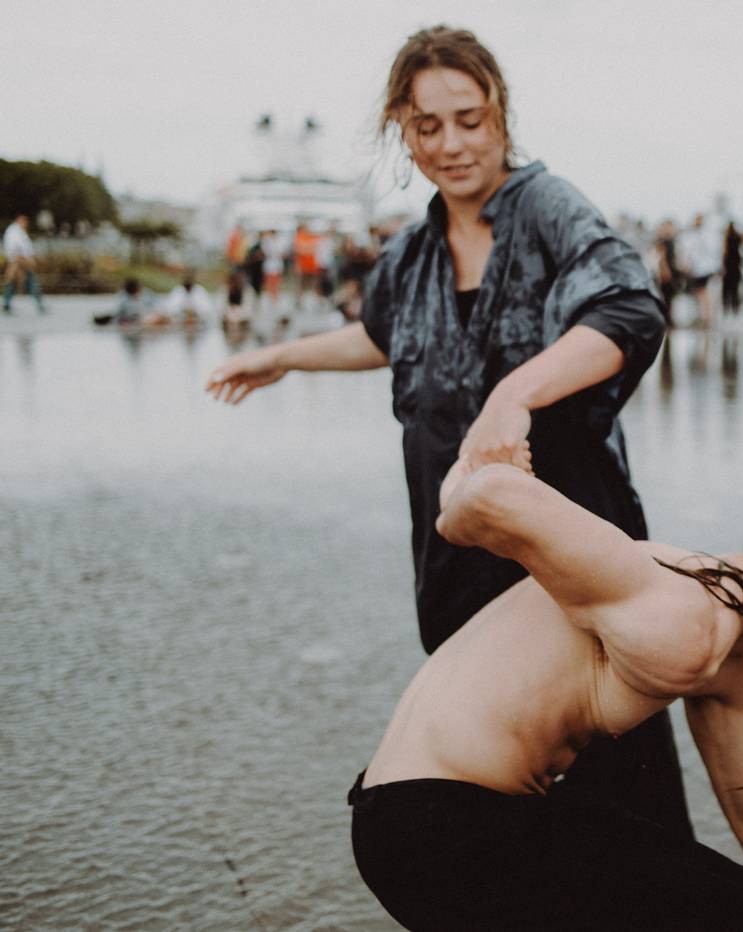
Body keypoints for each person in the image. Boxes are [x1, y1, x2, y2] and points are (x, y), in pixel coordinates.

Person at [206, 25, 687, 837]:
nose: (452, 144)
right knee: (503, 815)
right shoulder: (416, 250)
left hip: (574, 571)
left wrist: (515, 394)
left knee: (624, 814)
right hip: (458, 571)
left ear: (500, 115)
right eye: (427, 126)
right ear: (403, 129)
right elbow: (385, 336)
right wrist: (284, 356)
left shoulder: (545, 209)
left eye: (469, 119)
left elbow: (628, 310)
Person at [352, 461, 743, 931]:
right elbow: (494, 496)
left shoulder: (721, 658)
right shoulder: (679, 613)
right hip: (441, 831)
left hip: (421, 819)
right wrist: (456, 500)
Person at [679, 212, 720, 327]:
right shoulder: (700, 235)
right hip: (700, 269)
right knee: (700, 293)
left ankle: (705, 317)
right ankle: (704, 316)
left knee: (702, 293)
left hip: (703, 269)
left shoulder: (702, 235)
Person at [3, 214, 46, 315]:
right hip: (19, 262)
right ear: (20, 221)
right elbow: (16, 248)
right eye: (24, 222)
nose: (26, 224)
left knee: (14, 283)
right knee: (30, 282)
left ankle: (7, 304)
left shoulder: (17, 231)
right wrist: (26, 260)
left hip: (20, 261)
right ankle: (39, 304)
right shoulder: (14, 231)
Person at [721, 220, 743, 317]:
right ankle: (735, 308)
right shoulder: (737, 238)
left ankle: (726, 308)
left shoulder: (726, 239)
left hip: (728, 269)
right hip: (736, 269)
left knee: (726, 291)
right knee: (735, 290)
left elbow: (723, 254)